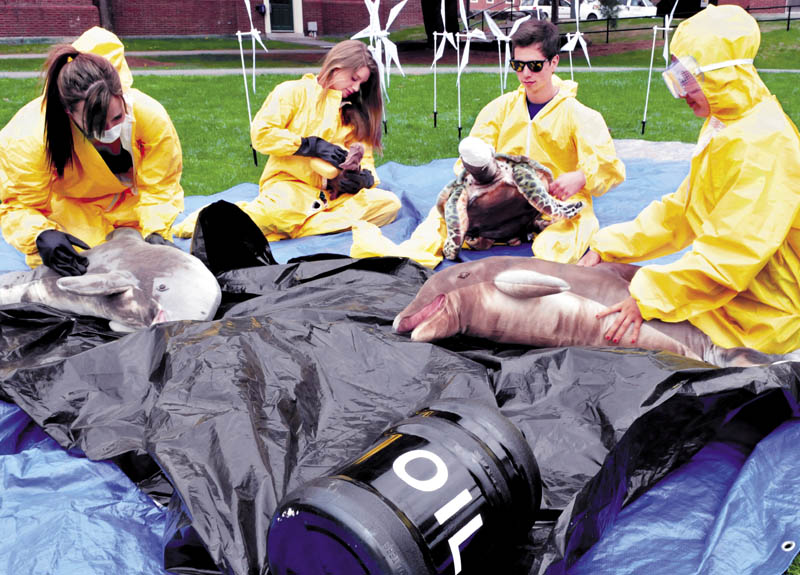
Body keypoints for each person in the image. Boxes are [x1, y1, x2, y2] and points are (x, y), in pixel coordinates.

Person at [579, 5, 800, 355]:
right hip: (730, 301)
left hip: (760, 322)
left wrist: (649, 297)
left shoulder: (765, 143)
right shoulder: (728, 124)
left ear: (721, 76)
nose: (681, 92)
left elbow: (732, 255)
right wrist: (608, 245)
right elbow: (684, 211)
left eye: (686, 78)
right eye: (675, 77)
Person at [350, 19, 624, 267]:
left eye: (535, 65)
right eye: (518, 65)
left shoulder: (581, 115)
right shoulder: (499, 109)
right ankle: (399, 257)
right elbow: (469, 158)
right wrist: (483, 186)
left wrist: (580, 177)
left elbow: (608, 166)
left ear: (554, 62)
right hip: (498, 199)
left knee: (561, 244)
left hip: (555, 199)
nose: (525, 73)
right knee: (440, 220)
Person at [0, 27, 184, 276]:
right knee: (84, 267)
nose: (110, 130)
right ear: (68, 113)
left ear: (121, 93)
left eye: (117, 117)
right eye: (96, 125)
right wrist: (41, 234)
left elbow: (159, 187)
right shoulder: (28, 138)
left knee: (142, 264)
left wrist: (155, 230)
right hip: (72, 211)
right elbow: (19, 205)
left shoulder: (150, 117)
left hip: (131, 206)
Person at [174, 40, 400, 242]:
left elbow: (366, 159)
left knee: (388, 204)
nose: (356, 88)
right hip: (289, 187)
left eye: (361, 84)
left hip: (335, 199)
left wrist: (363, 179)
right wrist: (309, 146)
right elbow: (261, 135)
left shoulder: (354, 113)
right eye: (354, 79)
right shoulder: (293, 92)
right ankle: (209, 221)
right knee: (277, 212)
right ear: (337, 66)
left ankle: (290, 227)